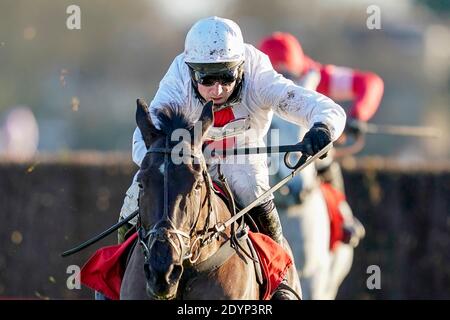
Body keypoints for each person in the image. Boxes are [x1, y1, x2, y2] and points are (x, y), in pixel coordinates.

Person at [117, 17, 346, 300]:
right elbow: (142, 139)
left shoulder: (259, 76)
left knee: (254, 194)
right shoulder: (177, 79)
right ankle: (116, 281)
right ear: (191, 72)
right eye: (206, 79)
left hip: (242, 156)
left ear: (240, 68)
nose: (217, 89)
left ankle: (282, 282)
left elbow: (324, 108)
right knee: (133, 198)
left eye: (226, 77)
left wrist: (323, 128)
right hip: (187, 156)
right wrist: (173, 159)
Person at [258, 32, 384, 299]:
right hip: (262, 157)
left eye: (290, 75)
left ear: (299, 69)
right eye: (279, 76)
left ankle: (342, 217)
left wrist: (358, 114)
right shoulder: (250, 82)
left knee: (324, 161)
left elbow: (369, 83)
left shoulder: (316, 75)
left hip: (309, 148)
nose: (286, 84)